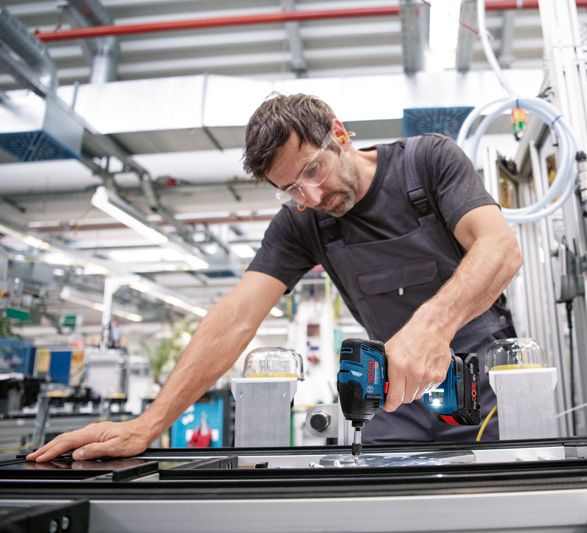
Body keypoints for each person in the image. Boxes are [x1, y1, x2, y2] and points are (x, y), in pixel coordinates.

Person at [27, 93, 522, 462]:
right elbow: (236, 317)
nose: (308, 195)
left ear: (339, 133)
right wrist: (150, 424)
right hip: (396, 397)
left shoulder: (427, 162)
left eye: (313, 170)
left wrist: (431, 327)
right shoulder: (302, 221)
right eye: (290, 188)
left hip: (481, 384)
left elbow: (500, 249)